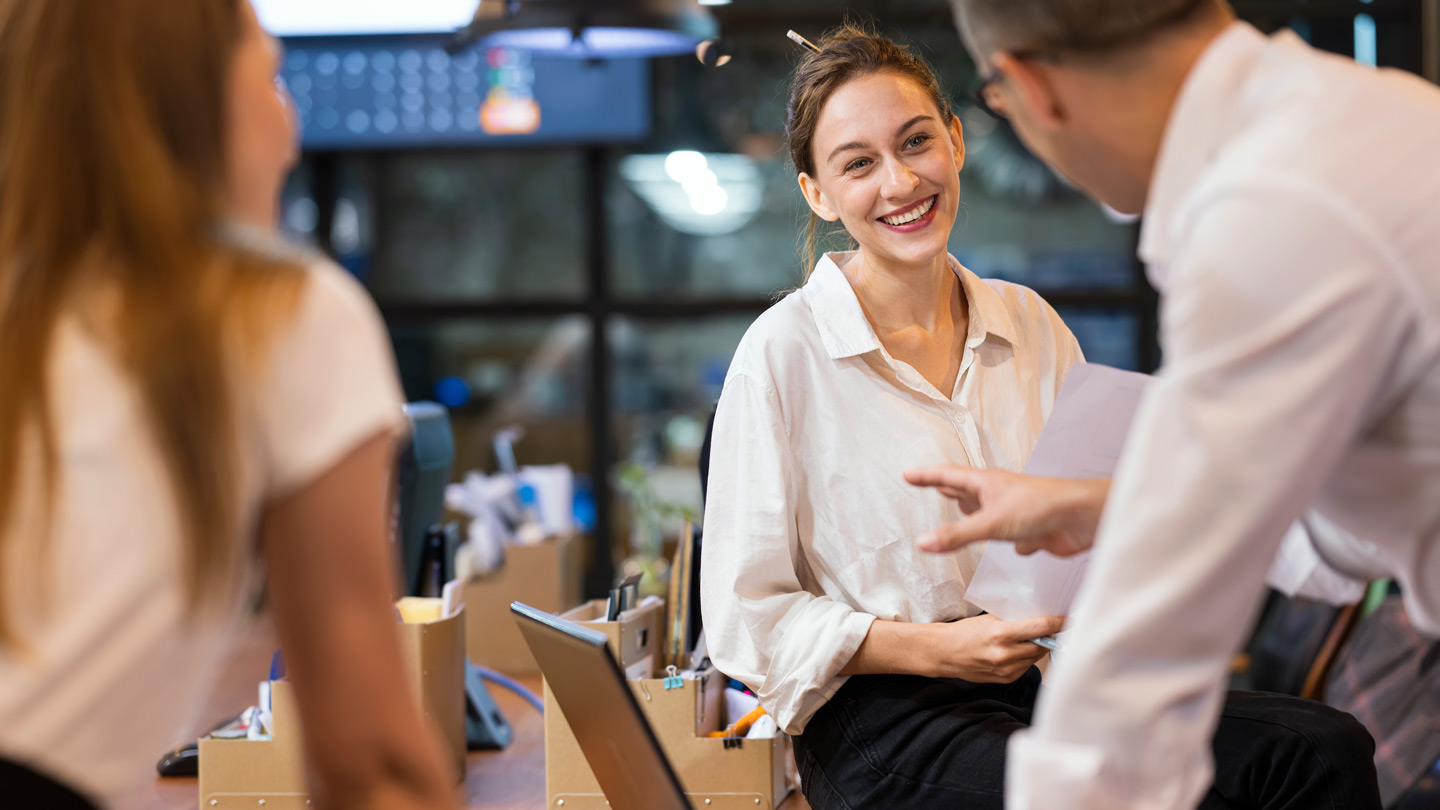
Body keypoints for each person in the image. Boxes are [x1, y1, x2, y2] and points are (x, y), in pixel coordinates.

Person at [700, 25, 1378, 810]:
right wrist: (940, 650)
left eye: (916, 142)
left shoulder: (1027, 321)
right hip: (883, 714)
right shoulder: (782, 353)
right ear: (817, 192)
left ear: (954, 141)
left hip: (1044, 677)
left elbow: (1088, 528)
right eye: (859, 164)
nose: (900, 181)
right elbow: (748, 616)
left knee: (1321, 750)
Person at [905, 1, 1440, 808]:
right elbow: (1329, 509)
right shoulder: (1370, 116)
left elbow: (1140, 675)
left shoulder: (1267, 214)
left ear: (1028, 88)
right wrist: (1111, 508)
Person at [0, 2, 458, 809]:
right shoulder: (277, 314)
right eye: (274, 77)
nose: (289, 132)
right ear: (184, 102)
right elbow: (373, 767)